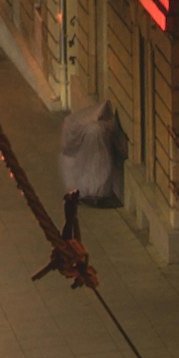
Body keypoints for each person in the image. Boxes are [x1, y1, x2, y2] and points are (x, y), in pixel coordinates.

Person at [57, 97, 122, 248]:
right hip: (100, 156)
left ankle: (90, 195)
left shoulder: (88, 127)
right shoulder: (102, 128)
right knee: (100, 177)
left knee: (91, 177)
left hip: (92, 157)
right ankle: (97, 196)